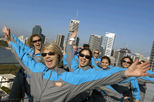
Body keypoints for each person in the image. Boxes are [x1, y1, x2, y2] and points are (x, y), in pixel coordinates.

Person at [2, 25, 151, 102]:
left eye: (51, 53)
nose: (47, 56)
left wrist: (124, 73)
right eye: (44, 54)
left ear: (58, 56)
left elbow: (101, 78)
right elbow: (23, 56)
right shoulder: (37, 69)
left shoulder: (69, 78)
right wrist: (10, 40)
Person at [2, 25, 43, 101]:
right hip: (21, 77)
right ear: (32, 43)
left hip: (31, 81)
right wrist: (10, 35)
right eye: (35, 41)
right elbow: (20, 45)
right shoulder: (30, 50)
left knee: (30, 98)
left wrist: (9, 42)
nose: (37, 42)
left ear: (41, 41)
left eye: (39, 40)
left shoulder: (43, 56)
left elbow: (22, 55)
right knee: (14, 98)